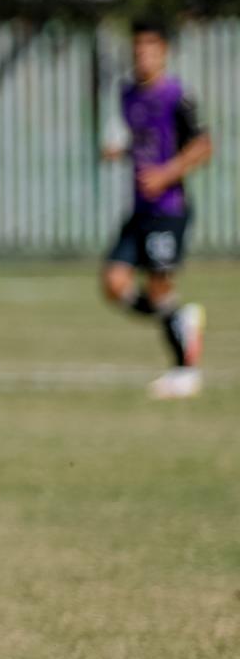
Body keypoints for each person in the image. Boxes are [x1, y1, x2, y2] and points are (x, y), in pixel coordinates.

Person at [101, 20, 210, 398]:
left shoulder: (177, 95)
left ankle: (185, 369)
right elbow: (142, 139)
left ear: (163, 51)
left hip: (169, 206)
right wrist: (122, 151)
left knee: (160, 288)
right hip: (140, 207)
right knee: (114, 284)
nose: (143, 57)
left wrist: (166, 174)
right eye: (137, 50)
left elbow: (202, 146)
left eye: (150, 49)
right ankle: (182, 319)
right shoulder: (127, 93)